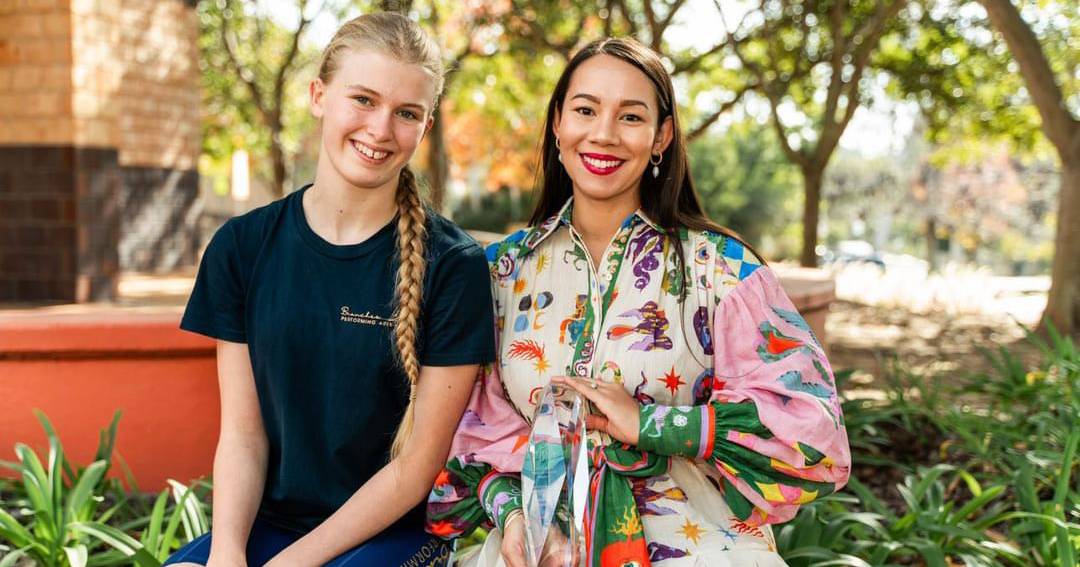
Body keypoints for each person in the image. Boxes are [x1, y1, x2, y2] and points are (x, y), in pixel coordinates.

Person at [425, 37, 850, 566]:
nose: (603, 133)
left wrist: (651, 424)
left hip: (697, 545)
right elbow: (469, 432)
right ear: (558, 123)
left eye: (630, 116)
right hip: (540, 550)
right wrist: (514, 517)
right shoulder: (501, 272)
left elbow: (811, 432)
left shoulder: (723, 269)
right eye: (585, 110)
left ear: (661, 136)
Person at [167, 12, 493, 567]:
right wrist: (226, 552)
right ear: (319, 95)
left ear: (426, 125)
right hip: (267, 527)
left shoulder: (453, 265)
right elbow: (244, 436)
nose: (380, 129)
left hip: (392, 534)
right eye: (363, 99)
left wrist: (291, 564)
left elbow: (414, 469)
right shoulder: (242, 247)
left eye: (406, 113)